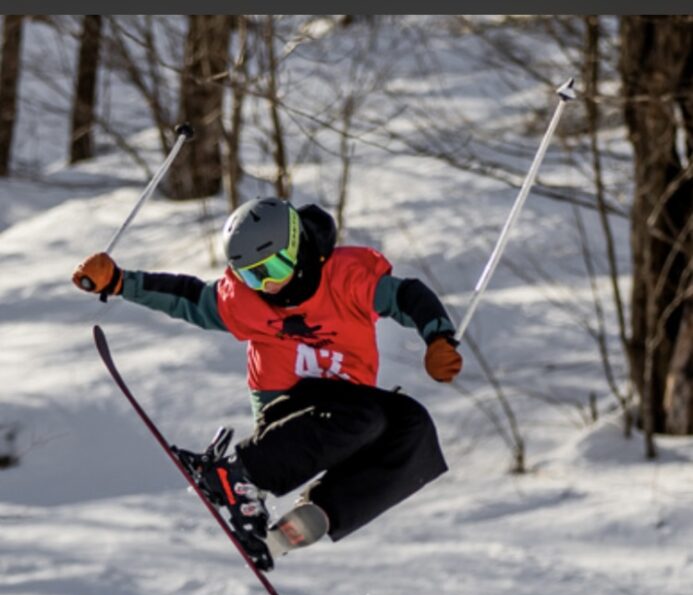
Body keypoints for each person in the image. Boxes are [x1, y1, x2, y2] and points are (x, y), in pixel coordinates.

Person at [72, 197, 462, 570]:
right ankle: (238, 472)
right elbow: (186, 298)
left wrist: (438, 337)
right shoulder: (246, 301)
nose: (267, 285)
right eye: (251, 275)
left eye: (273, 268)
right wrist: (119, 281)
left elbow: (407, 296)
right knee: (365, 417)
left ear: (297, 247)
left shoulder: (347, 278)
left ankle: (310, 519)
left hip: (346, 410)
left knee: (412, 425)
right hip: (287, 409)